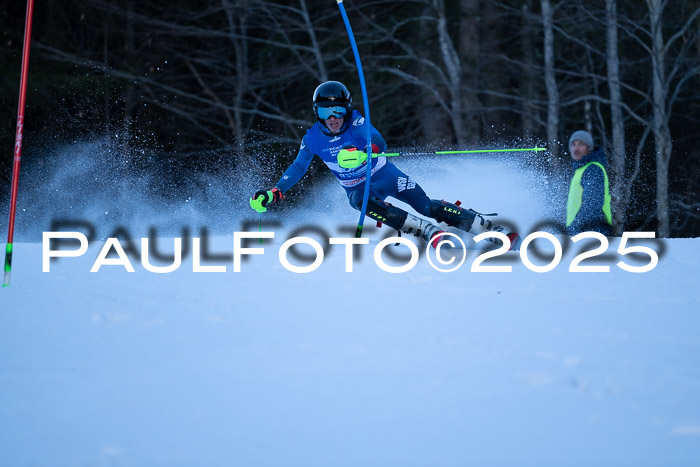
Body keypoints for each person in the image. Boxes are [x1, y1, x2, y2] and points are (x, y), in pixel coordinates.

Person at [250, 80, 519, 248]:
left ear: (347, 109)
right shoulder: (312, 139)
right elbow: (298, 167)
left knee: (427, 205)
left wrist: (364, 151)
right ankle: (423, 230)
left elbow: (379, 141)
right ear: (316, 113)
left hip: (385, 175)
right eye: (325, 112)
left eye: (338, 111)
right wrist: (275, 190)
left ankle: (487, 228)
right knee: (358, 200)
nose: (333, 118)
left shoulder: (355, 123)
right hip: (360, 188)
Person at [566, 130, 613, 236]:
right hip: (582, 232)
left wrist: (576, 229)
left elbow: (592, 204)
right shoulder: (580, 170)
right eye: (573, 144)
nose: (576, 148)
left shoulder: (593, 169)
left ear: (589, 148)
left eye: (581, 144)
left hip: (591, 232)